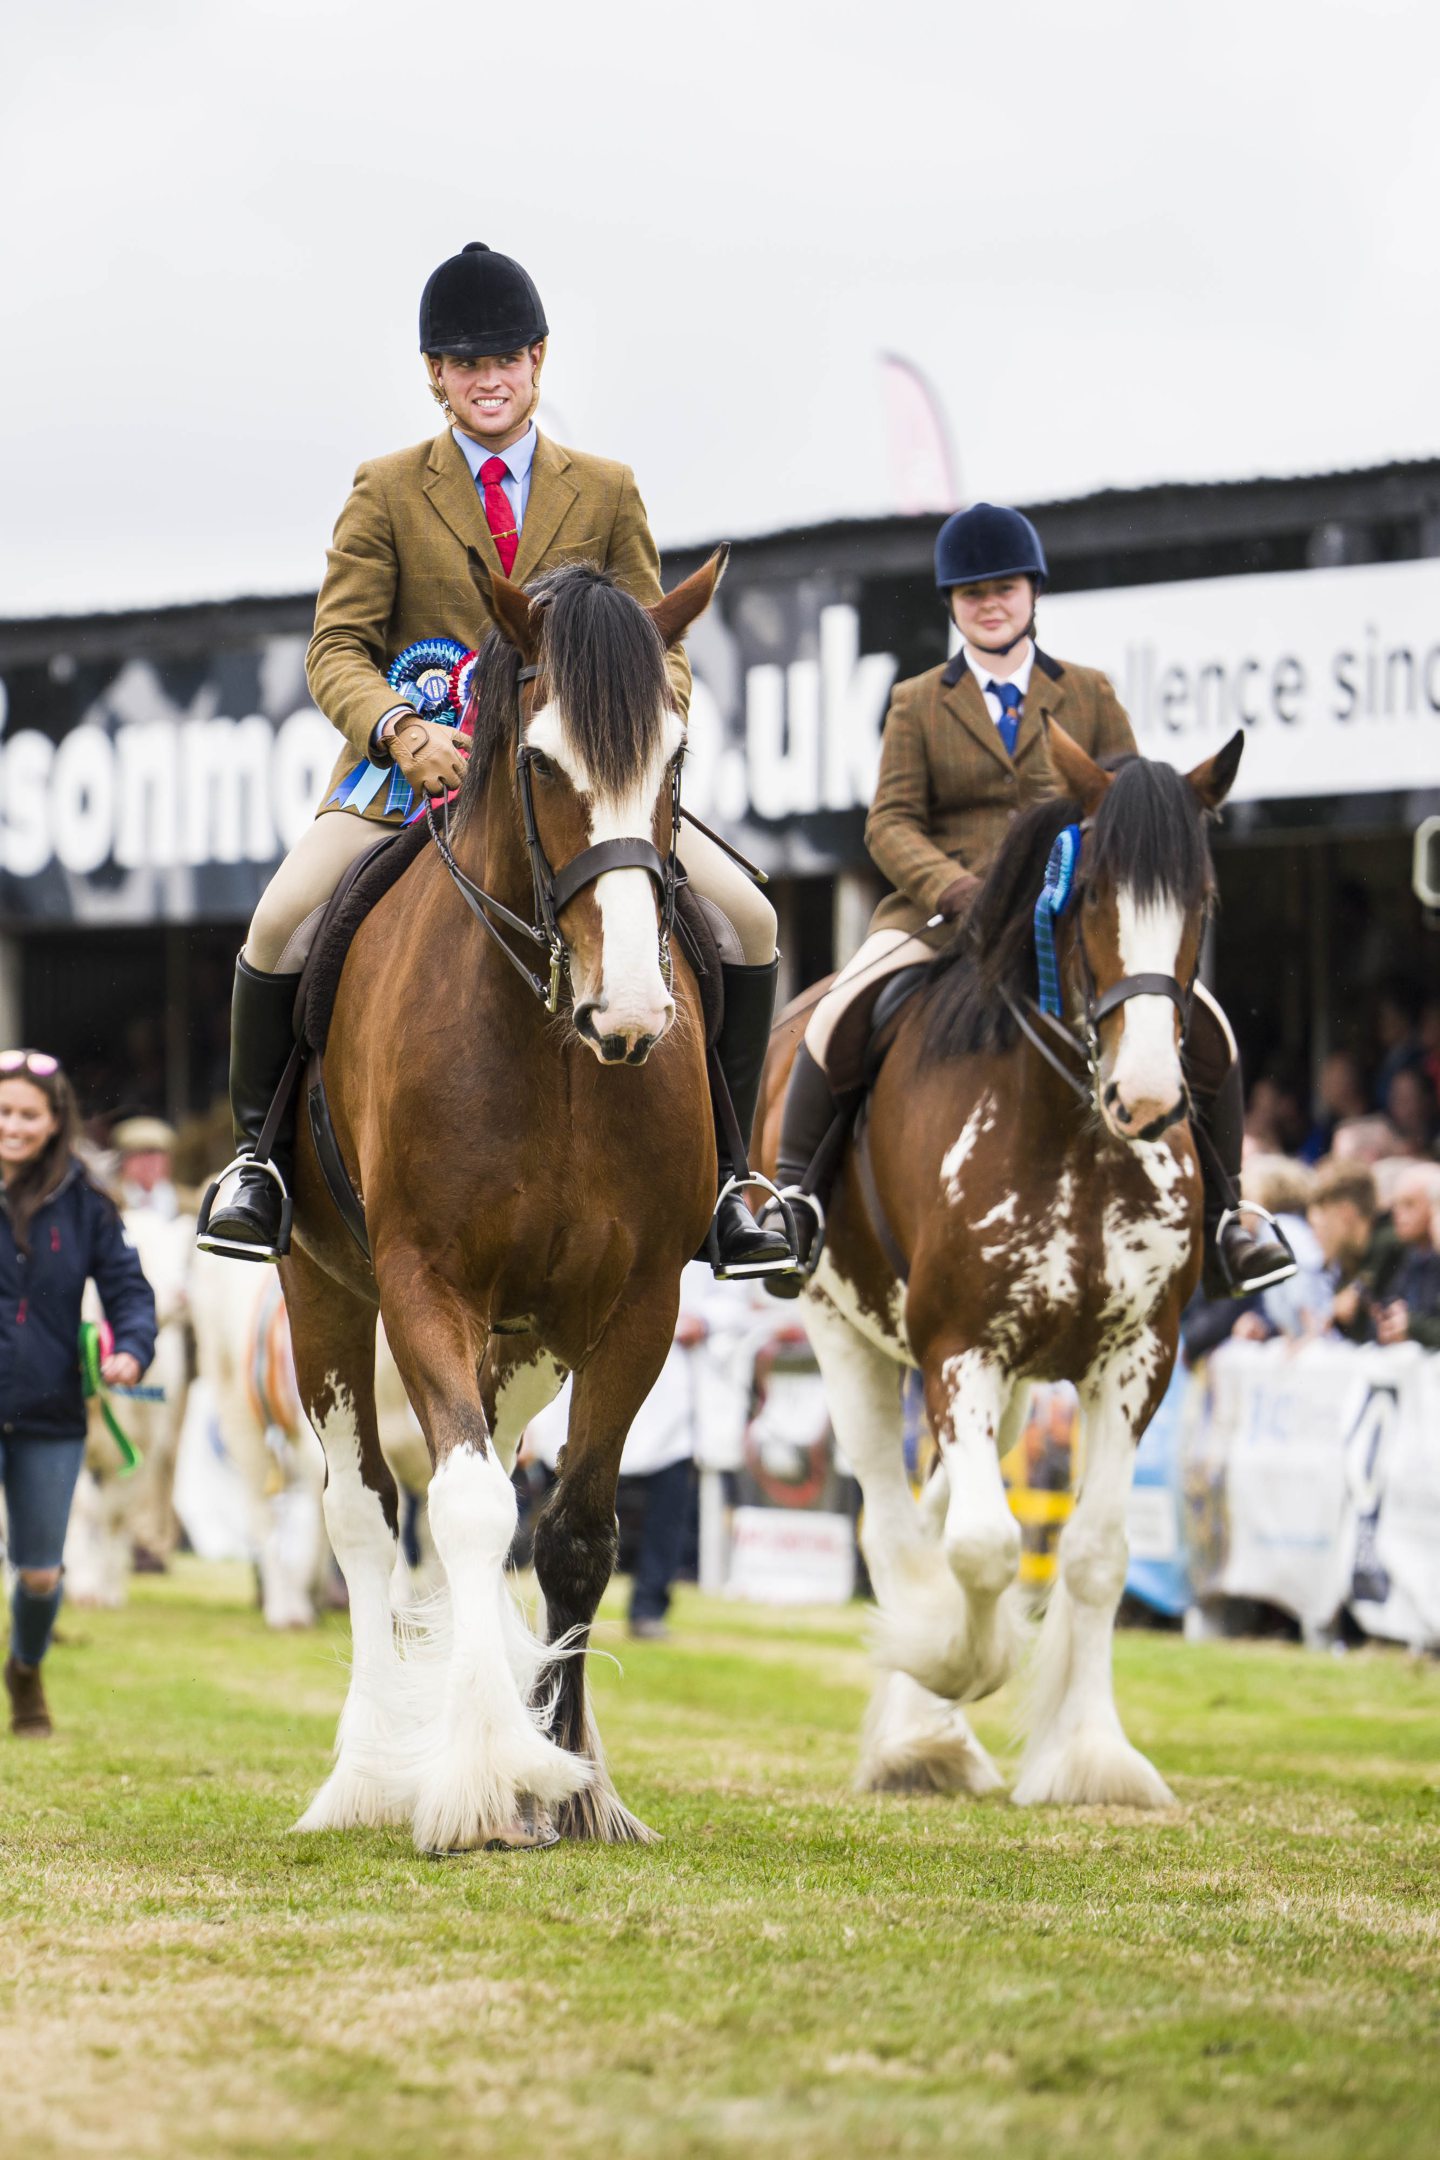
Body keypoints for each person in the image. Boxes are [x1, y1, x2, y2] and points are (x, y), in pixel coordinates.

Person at [199, 241, 793, 1284]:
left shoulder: (607, 491)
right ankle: (260, 1164)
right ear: (436, 374)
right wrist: (398, 728)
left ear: (540, 360)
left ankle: (733, 1177)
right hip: (413, 782)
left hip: (578, 781)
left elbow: (662, 641)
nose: (488, 377)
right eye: (465, 362)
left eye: (506, 358)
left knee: (750, 919)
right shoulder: (385, 490)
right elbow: (334, 646)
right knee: (282, 919)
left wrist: (634, 733)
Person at [766, 502, 1294, 1299]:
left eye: (1003, 587)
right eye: (971, 592)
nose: (989, 603)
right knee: (841, 1009)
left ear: (1033, 593)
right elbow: (890, 822)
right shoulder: (918, 701)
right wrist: (957, 887)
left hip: (1073, 916)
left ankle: (1229, 1216)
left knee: (1206, 1023)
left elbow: (1133, 809)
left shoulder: (1087, 692)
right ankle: (795, 1199)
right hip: (945, 917)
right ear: (951, 603)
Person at [0, 1051, 157, 1737]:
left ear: (54, 1119)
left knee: (40, 1576)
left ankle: (26, 1668)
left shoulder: (86, 1202)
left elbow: (129, 1289)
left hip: (52, 1411)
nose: (13, 1125)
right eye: (3, 1112)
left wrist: (130, 1348)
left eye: (27, 1114)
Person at [1307, 1159, 1403, 1344]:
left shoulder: (1393, 1244)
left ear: (1346, 1213)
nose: (1315, 1237)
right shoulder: (1348, 1260)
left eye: (1321, 1226)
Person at [1373, 1162, 1440, 1350]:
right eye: (1396, 1205)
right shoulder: (1406, 1253)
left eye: (1409, 1204)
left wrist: (1412, 1326)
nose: (1398, 1215)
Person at [112, 1115, 180, 1220]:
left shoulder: (189, 1204)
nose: (148, 1163)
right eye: (139, 1154)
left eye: (154, 1154)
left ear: (167, 1160)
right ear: (124, 1161)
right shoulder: (110, 1203)